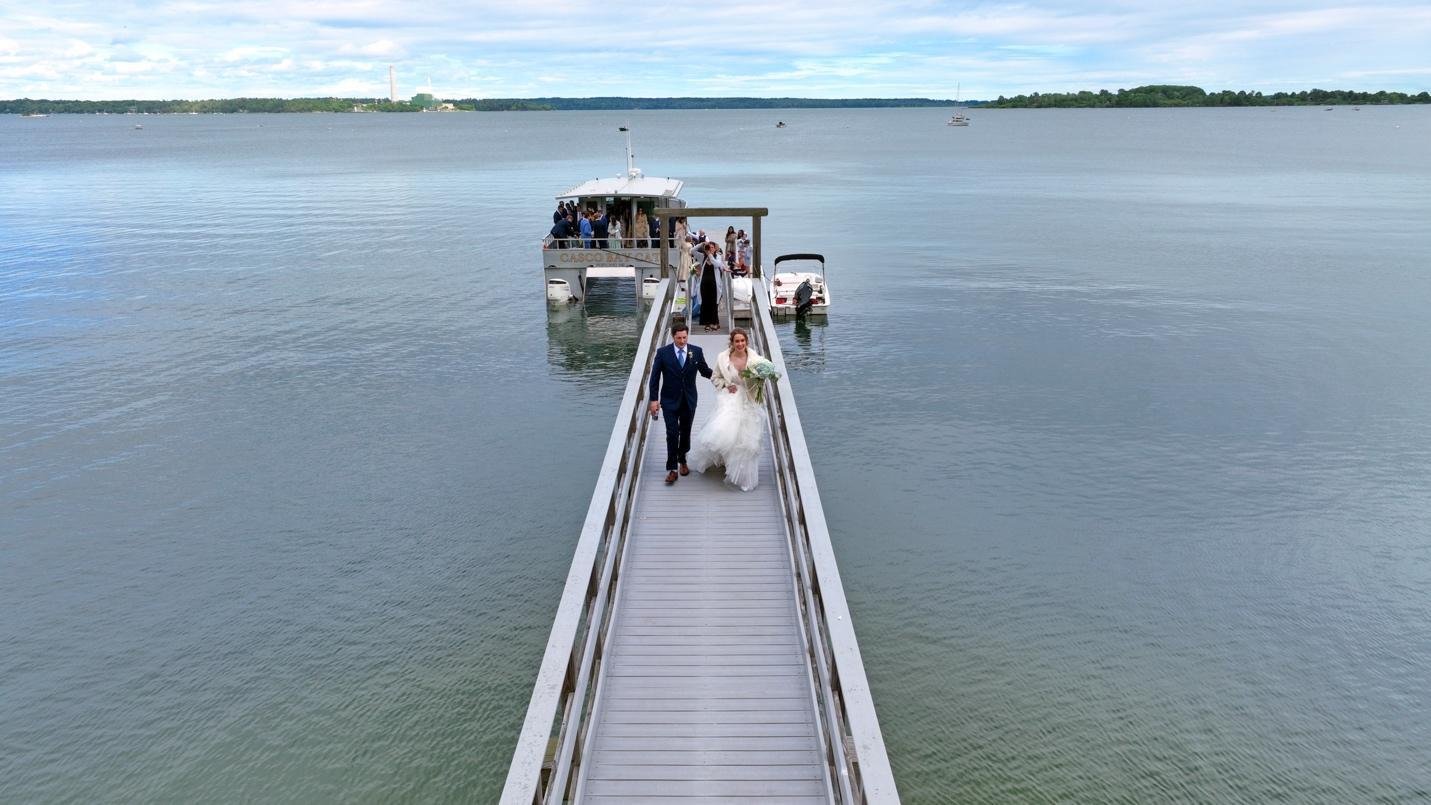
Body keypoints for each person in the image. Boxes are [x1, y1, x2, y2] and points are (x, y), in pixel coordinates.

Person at [687, 328, 768, 491]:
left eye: (742, 341)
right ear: (732, 342)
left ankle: (741, 474)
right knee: (725, 431)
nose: (740, 344)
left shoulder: (757, 359)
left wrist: (756, 381)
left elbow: (762, 381)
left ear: (746, 342)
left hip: (750, 400)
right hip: (730, 398)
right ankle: (725, 460)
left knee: (746, 439)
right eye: (737, 341)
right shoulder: (722, 358)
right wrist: (726, 385)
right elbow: (715, 377)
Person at [648, 323, 714, 485]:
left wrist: (724, 378)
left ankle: (682, 459)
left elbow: (705, 371)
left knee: (685, 431)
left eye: (685, 337)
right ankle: (672, 468)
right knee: (672, 433)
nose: (682, 341)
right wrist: (654, 400)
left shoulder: (696, 351)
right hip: (669, 400)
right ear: (673, 337)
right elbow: (654, 377)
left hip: (689, 399)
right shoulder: (663, 353)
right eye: (679, 338)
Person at [695, 241, 723, 331]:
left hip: (714, 284)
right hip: (704, 284)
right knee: (705, 303)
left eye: (712, 247)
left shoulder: (718, 256)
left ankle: (714, 322)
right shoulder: (702, 256)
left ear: (715, 249)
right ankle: (707, 324)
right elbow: (692, 251)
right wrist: (701, 244)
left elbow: (717, 264)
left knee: (714, 303)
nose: (710, 249)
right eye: (708, 247)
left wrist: (710, 255)